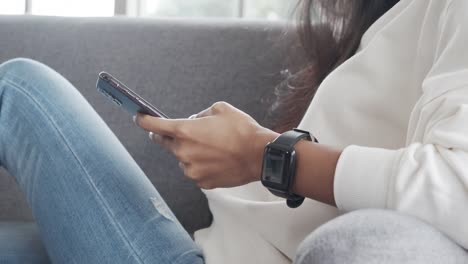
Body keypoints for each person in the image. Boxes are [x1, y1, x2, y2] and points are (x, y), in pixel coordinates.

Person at [0, 0, 467, 263]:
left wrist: (264, 155)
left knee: (18, 89)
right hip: (209, 248)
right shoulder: (402, 19)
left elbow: (455, 186)